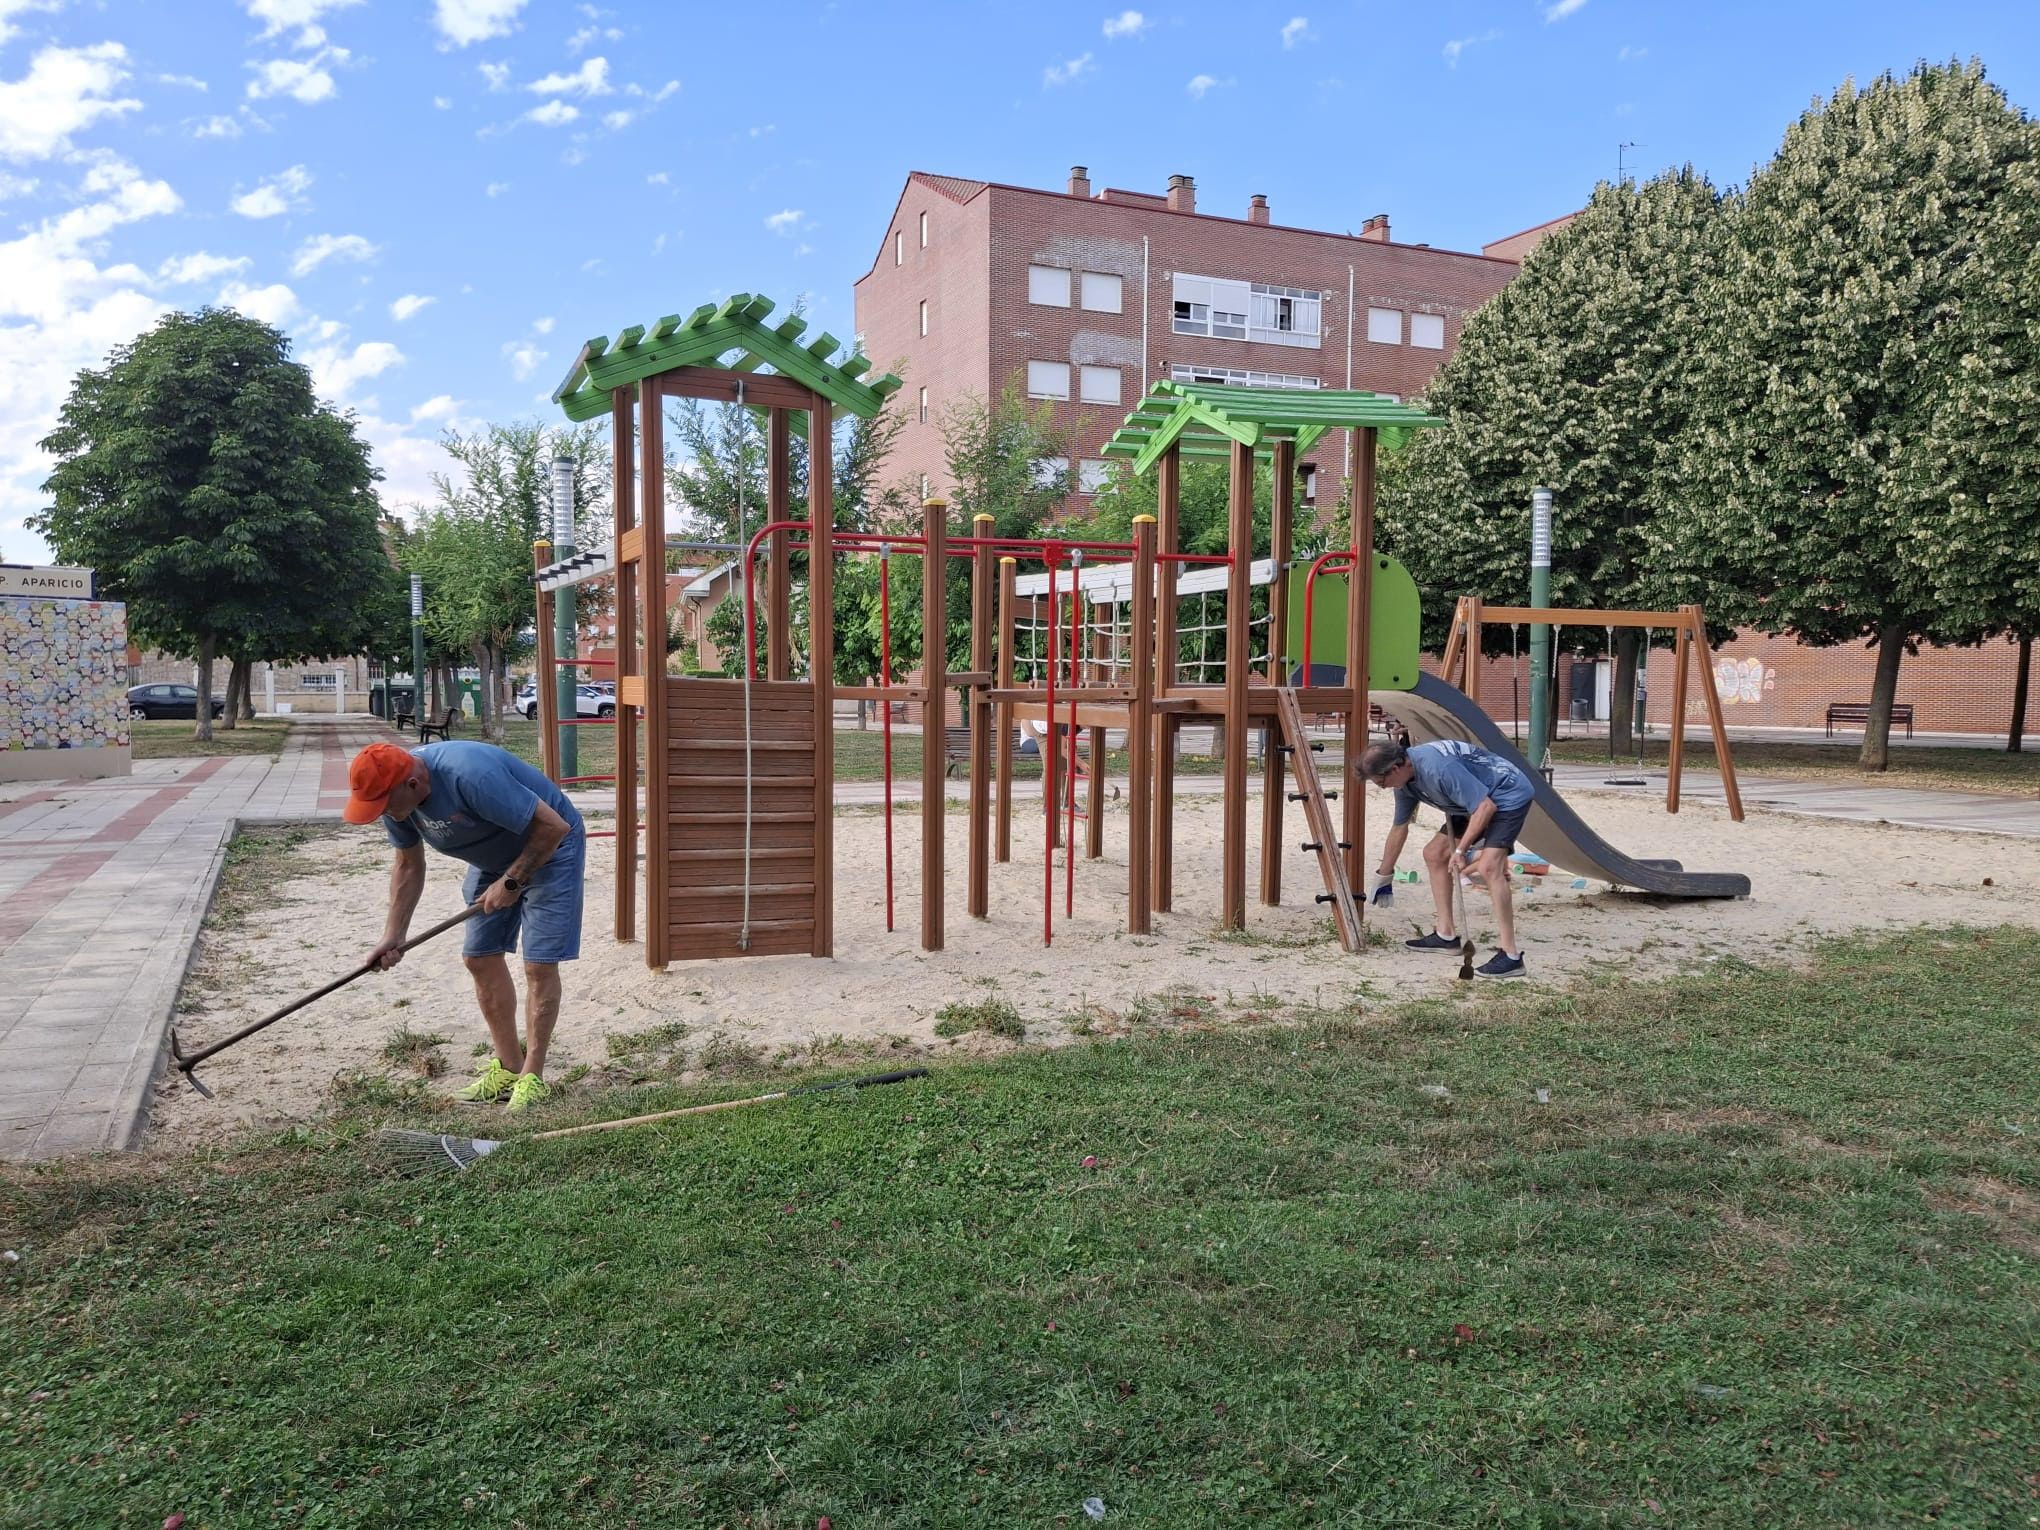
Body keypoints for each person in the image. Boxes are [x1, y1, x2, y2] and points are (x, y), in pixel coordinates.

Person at [341, 739, 586, 1109]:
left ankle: (532, 1078)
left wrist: (512, 881)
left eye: (384, 805)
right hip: (494, 858)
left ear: (413, 784)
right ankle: (508, 1068)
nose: (382, 814)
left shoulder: (469, 775)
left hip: (553, 847)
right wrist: (393, 935)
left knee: (538, 965)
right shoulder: (396, 802)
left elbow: (553, 827)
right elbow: (408, 865)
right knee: (479, 957)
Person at [1356, 737, 1535, 978]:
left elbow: (1485, 808)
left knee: (1489, 867)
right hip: (1469, 801)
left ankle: (1511, 956)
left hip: (1505, 794)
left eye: (1381, 782)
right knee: (1434, 854)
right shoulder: (1405, 784)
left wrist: (1461, 851)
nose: (1383, 788)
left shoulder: (1438, 768)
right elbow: (1399, 827)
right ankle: (1446, 935)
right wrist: (1384, 875)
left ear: (1396, 768)